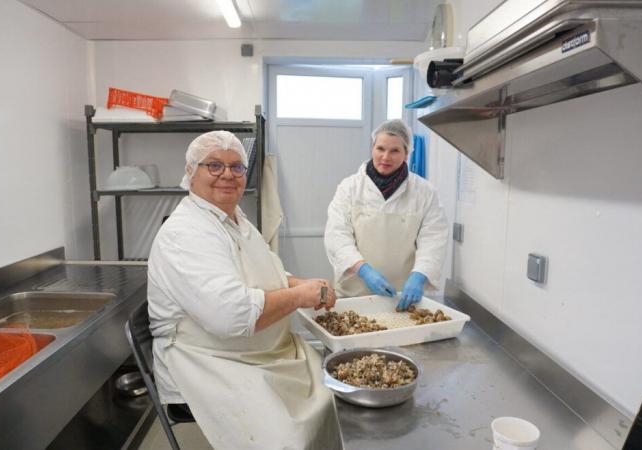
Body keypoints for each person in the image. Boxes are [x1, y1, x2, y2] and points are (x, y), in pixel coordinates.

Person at [148, 131, 342, 450]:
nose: (227, 174)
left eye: (237, 167)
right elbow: (231, 317)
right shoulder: (186, 234)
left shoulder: (234, 218)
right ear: (190, 172)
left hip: (261, 352)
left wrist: (303, 284)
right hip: (212, 360)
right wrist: (298, 297)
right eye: (214, 165)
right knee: (289, 437)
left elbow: (267, 272)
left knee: (331, 394)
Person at [324, 119, 449, 311]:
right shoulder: (350, 188)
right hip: (354, 294)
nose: (385, 157)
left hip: (401, 298)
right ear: (372, 148)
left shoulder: (424, 192)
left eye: (395, 151)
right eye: (380, 148)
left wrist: (420, 276)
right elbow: (337, 236)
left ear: (407, 153)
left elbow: (434, 239)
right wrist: (363, 270)